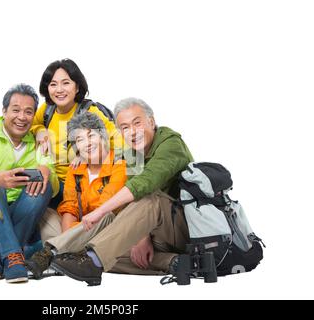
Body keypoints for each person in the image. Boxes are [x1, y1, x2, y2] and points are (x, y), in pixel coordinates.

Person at [27, 97, 193, 285]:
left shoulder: (170, 144)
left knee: (127, 214)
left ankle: (71, 256)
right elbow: (71, 206)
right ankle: (170, 262)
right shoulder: (132, 153)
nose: (132, 132)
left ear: (151, 122)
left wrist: (100, 217)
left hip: (177, 228)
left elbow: (143, 186)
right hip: (144, 231)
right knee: (107, 248)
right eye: (125, 127)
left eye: (136, 123)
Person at [0, 84, 59, 283]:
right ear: (4, 111)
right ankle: (13, 255)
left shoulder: (39, 142)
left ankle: (0, 256)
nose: (21, 117)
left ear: (33, 116)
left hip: (24, 215)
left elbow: (55, 187)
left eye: (28, 112)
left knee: (44, 185)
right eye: (15, 110)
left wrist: (47, 171)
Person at [26, 112, 126, 278]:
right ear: (76, 147)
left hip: (105, 231)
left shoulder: (119, 164)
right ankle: (66, 256)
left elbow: (103, 208)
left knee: (106, 215)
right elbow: (70, 207)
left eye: (91, 136)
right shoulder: (75, 169)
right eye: (80, 140)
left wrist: (70, 236)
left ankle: (50, 254)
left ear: (103, 137)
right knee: (47, 212)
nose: (87, 144)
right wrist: (69, 236)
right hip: (80, 229)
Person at [31, 59, 122, 209]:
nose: (59, 90)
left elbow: (117, 141)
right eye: (53, 84)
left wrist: (86, 152)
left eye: (66, 83)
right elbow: (29, 124)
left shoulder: (90, 112)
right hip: (53, 182)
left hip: (80, 185)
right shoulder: (47, 110)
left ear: (77, 87)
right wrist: (39, 130)